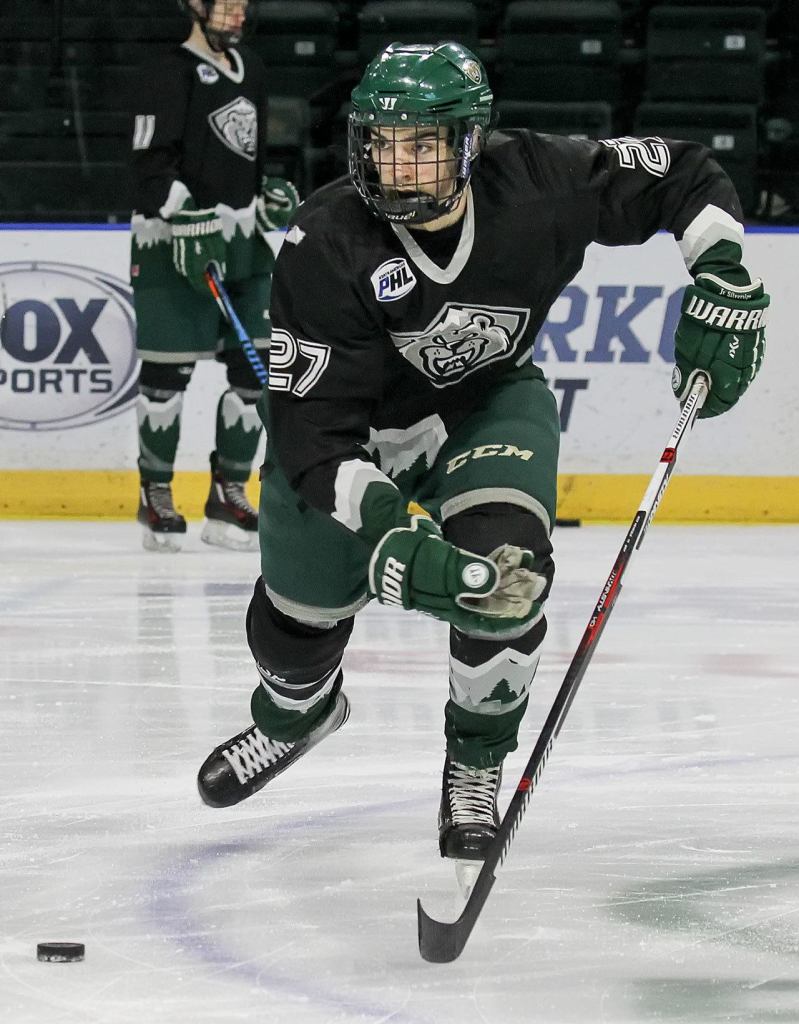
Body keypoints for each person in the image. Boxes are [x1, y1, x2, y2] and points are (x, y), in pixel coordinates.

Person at [197, 43, 768, 873]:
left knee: (503, 579)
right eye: (381, 142)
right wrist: (393, 530)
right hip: (349, 447)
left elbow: (684, 174)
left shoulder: (542, 180)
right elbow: (313, 433)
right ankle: (297, 715)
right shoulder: (324, 241)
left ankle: (474, 762)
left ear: (470, 142)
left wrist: (723, 272)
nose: (397, 163)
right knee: (295, 622)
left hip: (485, 408)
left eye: (422, 143)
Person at [129, 0, 299, 552]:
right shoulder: (166, 73)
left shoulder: (254, 68)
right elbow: (150, 166)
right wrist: (182, 214)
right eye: (226, 5)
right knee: (166, 381)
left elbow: (244, 156)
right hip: (171, 245)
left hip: (241, 246)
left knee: (256, 372)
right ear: (194, 6)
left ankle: (228, 494)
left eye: (242, 5)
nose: (238, 14)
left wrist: (262, 199)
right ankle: (155, 494)